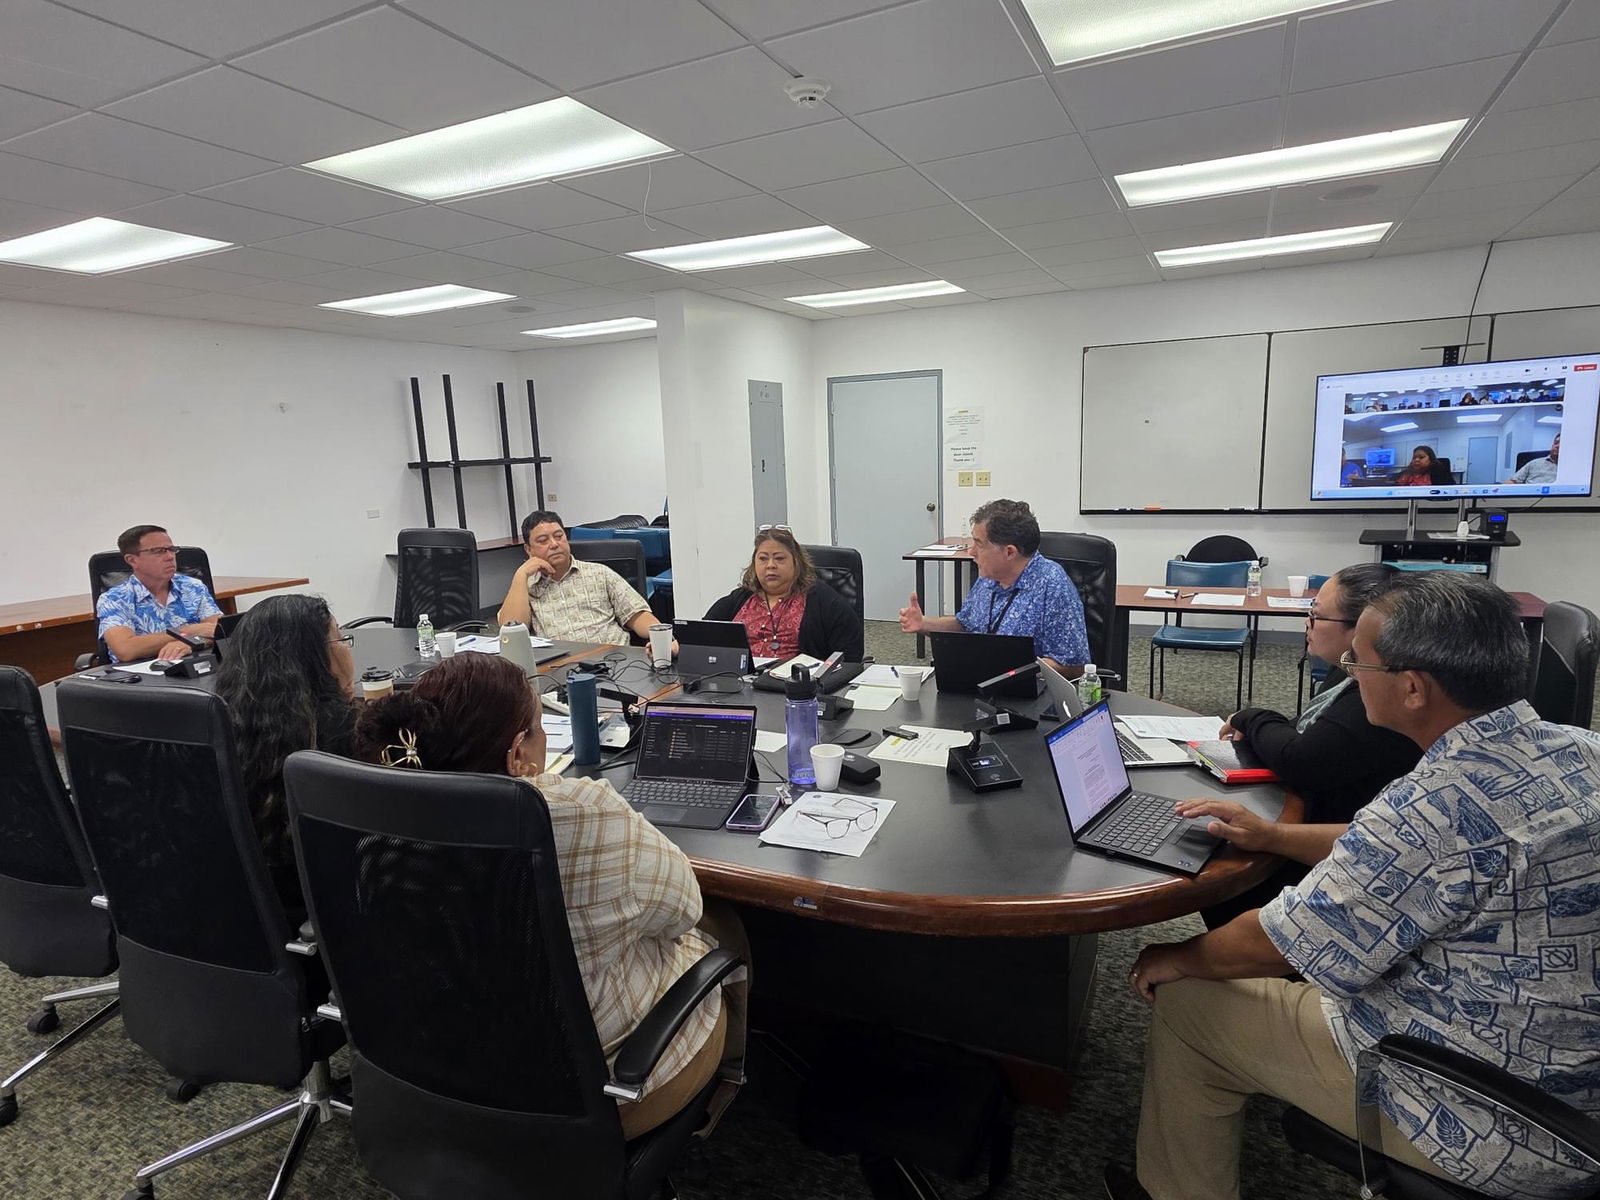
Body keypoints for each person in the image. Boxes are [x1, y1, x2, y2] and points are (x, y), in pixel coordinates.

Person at [1105, 572, 1600, 1200]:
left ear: (1413, 688)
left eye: (1357, 662)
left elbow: (1276, 942)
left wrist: (1172, 956)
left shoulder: (1431, 804)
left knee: (1189, 1002)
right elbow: (1418, 854)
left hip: (1493, 1118)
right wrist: (1276, 837)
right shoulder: (1580, 748)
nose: (1348, 673)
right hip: (1574, 1075)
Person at [355, 654, 749, 1138]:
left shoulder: (377, 815)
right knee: (719, 926)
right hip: (584, 1091)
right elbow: (683, 906)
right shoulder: (582, 812)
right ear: (518, 751)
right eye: (542, 730)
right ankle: (727, 1086)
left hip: (436, 1069)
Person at [1180, 564, 1420, 928]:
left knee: (1218, 860)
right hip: (1328, 830)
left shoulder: (1377, 692)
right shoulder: (1349, 672)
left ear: (1364, 627)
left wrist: (1252, 717)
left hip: (1335, 870)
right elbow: (1307, 734)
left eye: (1316, 614)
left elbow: (1301, 757)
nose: (1306, 622)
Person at [214, 594, 358, 911]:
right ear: (316, 657)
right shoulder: (337, 732)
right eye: (340, 639)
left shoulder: (222, 729)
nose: (346, 649)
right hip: (332, 909)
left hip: (250, 909)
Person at [898, 499, 1089, 674]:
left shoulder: (1053, 586)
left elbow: (1074, 666)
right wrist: (924, 624)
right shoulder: (988, 577)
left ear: (1009, 552)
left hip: (1027, 695)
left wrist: (1012, 668)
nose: (971, 551)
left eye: (979, 544)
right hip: (978, 683)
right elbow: (965, 625)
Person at [496, 510, 668, 645]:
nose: (554, 544)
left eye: (558, 536)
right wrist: (521, 575)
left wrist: (665, 641)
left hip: (613, 662)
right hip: (557, 670)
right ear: (528, 549)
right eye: (543, 540)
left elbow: (638, 615)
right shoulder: (526, 587)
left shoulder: (600, 573)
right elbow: (510, 631)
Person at [703, 527, 863, 661]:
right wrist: (679, 646)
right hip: (741, 688)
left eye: (779, 559)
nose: (770, 565)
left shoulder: (824, 600)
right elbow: (701, 634)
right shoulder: (740, 598)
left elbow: (849, 655)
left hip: (797, 689)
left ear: (796, 562)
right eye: (763, 559)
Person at [95, 524, 221, 663]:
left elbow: (220, 630)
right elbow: (126, 649)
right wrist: (190, 631)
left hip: (193, 668)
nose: (169, 557)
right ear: (132, 560)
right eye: (158, 551)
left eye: (172, 550)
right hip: (143, 678)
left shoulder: (193, 587)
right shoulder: (114, 599)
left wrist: (190, 643)